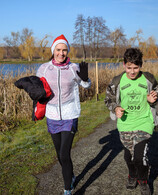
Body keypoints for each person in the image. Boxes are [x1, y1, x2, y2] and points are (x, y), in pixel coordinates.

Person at [36, 34, 91, 195]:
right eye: (58, 50)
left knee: (64, 153)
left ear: (68, 51)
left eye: (64, 50)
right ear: (53, 51)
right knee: (59, 155)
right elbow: (38, 89)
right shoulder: (44, 69)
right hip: (52, 115)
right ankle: (71, 176)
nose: (61, 53)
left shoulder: (74, 68)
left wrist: (86, 78)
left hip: (69, 114)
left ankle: (68, 189)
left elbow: (86, 85)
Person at [104, 48, 158, 195]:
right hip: (125, 124)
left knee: (139, 157)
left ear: (140, 65)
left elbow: (157, 93)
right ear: (124, 65)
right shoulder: (117, 81)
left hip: (144, 122)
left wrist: (152, 99)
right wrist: (115, 107)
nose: (132, 71)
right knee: (128, 157)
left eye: (136, 68)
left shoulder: (148, 79)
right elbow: (108, 99)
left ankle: (143, 181)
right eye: (129, 68)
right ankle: (132, 175)